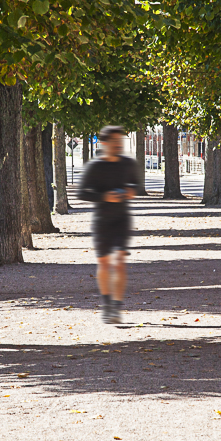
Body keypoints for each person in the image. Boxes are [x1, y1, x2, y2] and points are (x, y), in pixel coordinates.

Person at [77, 126, 141, 324]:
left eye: (120, 141)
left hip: (122, 219)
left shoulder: (127, 163)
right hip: (102, 221)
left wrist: (131, 192)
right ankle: (107, 305)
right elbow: (81, 193)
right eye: (114, 141)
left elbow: (137, 185)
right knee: (104, 263)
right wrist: (105, 196)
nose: (118, 144)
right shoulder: (95, 166)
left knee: (120, 262)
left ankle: (116, 307)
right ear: (104, 143)